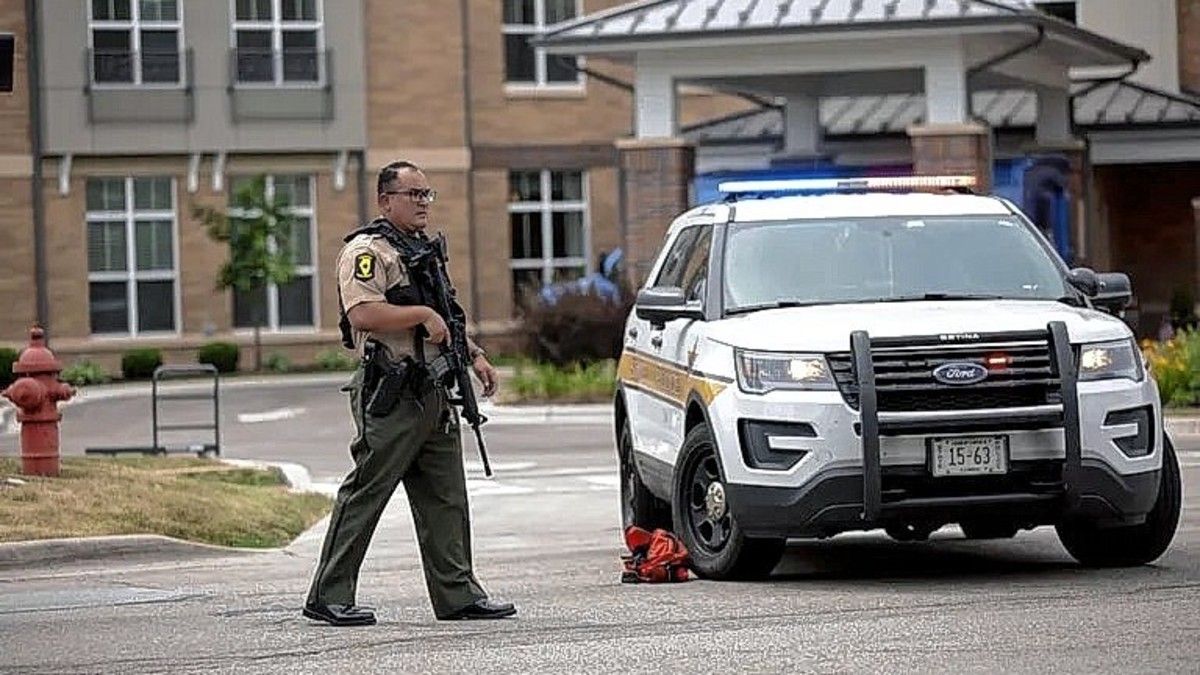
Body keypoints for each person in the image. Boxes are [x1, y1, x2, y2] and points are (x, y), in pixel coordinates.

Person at [303, 160, 514, 626]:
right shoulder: (367, 251)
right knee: (366, 493)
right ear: (385, 200)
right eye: (412, 194)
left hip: (434, 388)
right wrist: (419, 315)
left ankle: (458, 594)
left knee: (446, 497)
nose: (422, 203)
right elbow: (363, 313)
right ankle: (328, 594)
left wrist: (473, 355)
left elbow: (444, 315)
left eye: (426, 194)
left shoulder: (421, 251)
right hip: (392, 391)